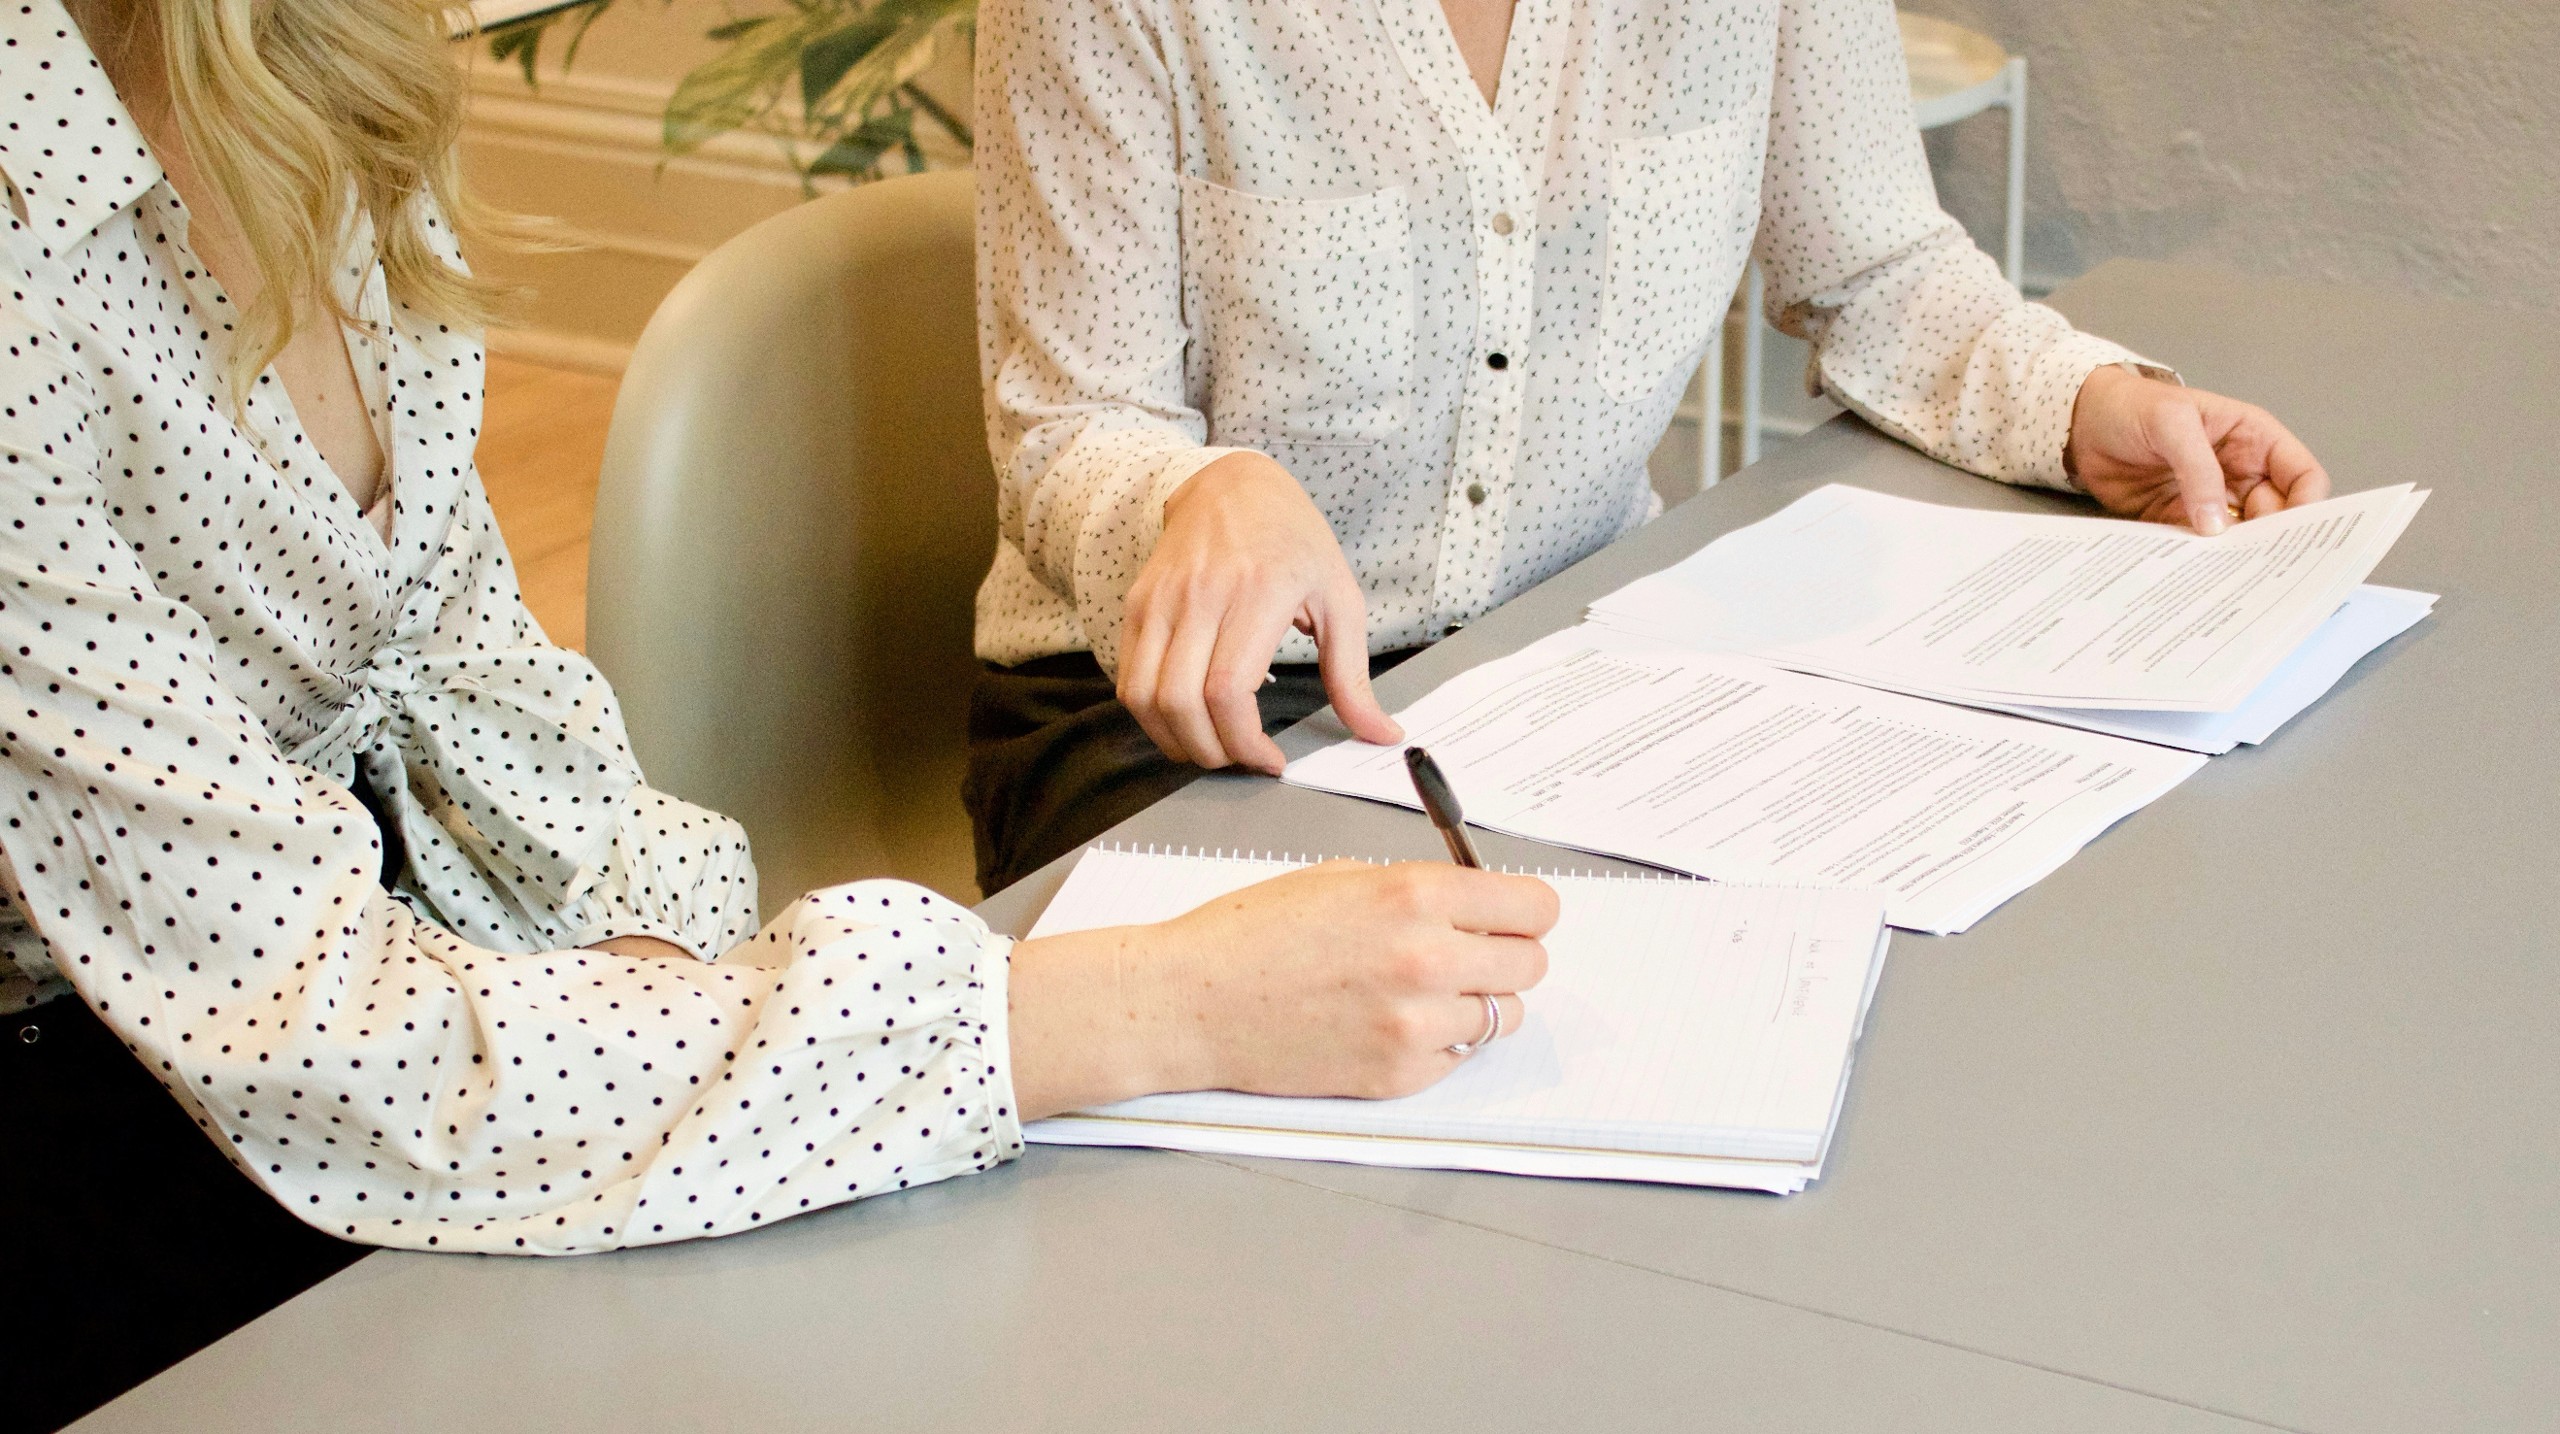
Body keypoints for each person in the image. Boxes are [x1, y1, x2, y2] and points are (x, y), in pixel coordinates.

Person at [0, 0, 1553, 1422]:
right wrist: (1156, 1005)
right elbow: (332, 1035)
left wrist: (665, 962)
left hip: (381, 987)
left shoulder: (318, 70)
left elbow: (469, 679)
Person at [965, 0, 2336, 892]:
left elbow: (1874, 265)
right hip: (1179, 716)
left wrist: (2085, 401)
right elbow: (1069, 424)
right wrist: (1198, 494)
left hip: (1563, 675)